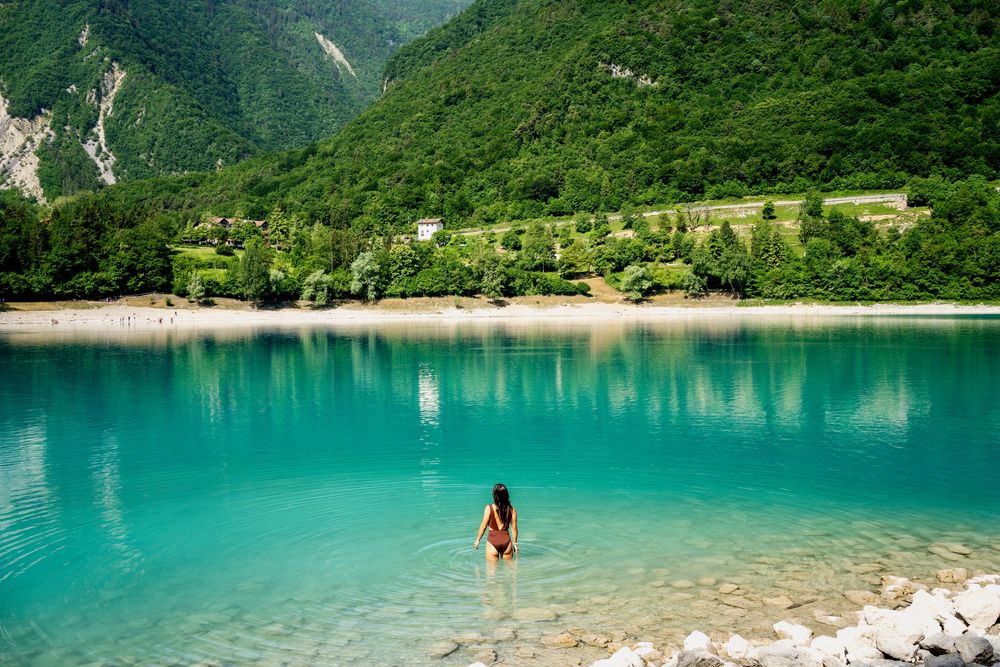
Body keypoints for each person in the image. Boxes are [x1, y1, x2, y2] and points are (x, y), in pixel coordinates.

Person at [473, 483, 518, 561]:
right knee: (510, 571)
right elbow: (514, 528)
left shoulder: (489, 508)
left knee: (492, 572)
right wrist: (515, 543)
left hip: (492, 543)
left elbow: (483, 526)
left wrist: (477, 540)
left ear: (494, 495)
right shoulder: (512, 510)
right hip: (506, 542)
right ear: (506, 495)